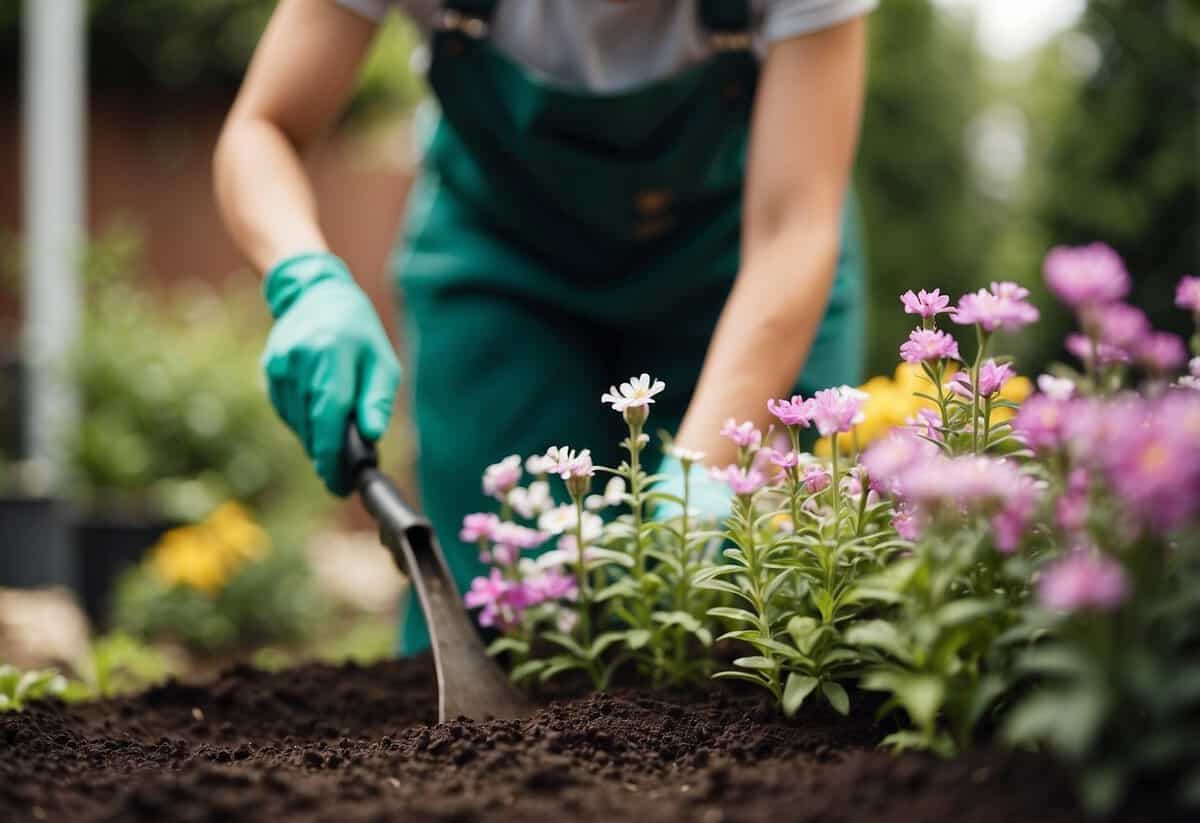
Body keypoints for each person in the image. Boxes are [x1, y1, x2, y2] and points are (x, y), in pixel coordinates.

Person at [215, 0, 873, 654]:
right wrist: (306, 279)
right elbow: (263, 126)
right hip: (504, 266)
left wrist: (700, 474)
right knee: (507, 619)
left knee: (753, 623)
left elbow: (795, 228)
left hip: (741, 273)